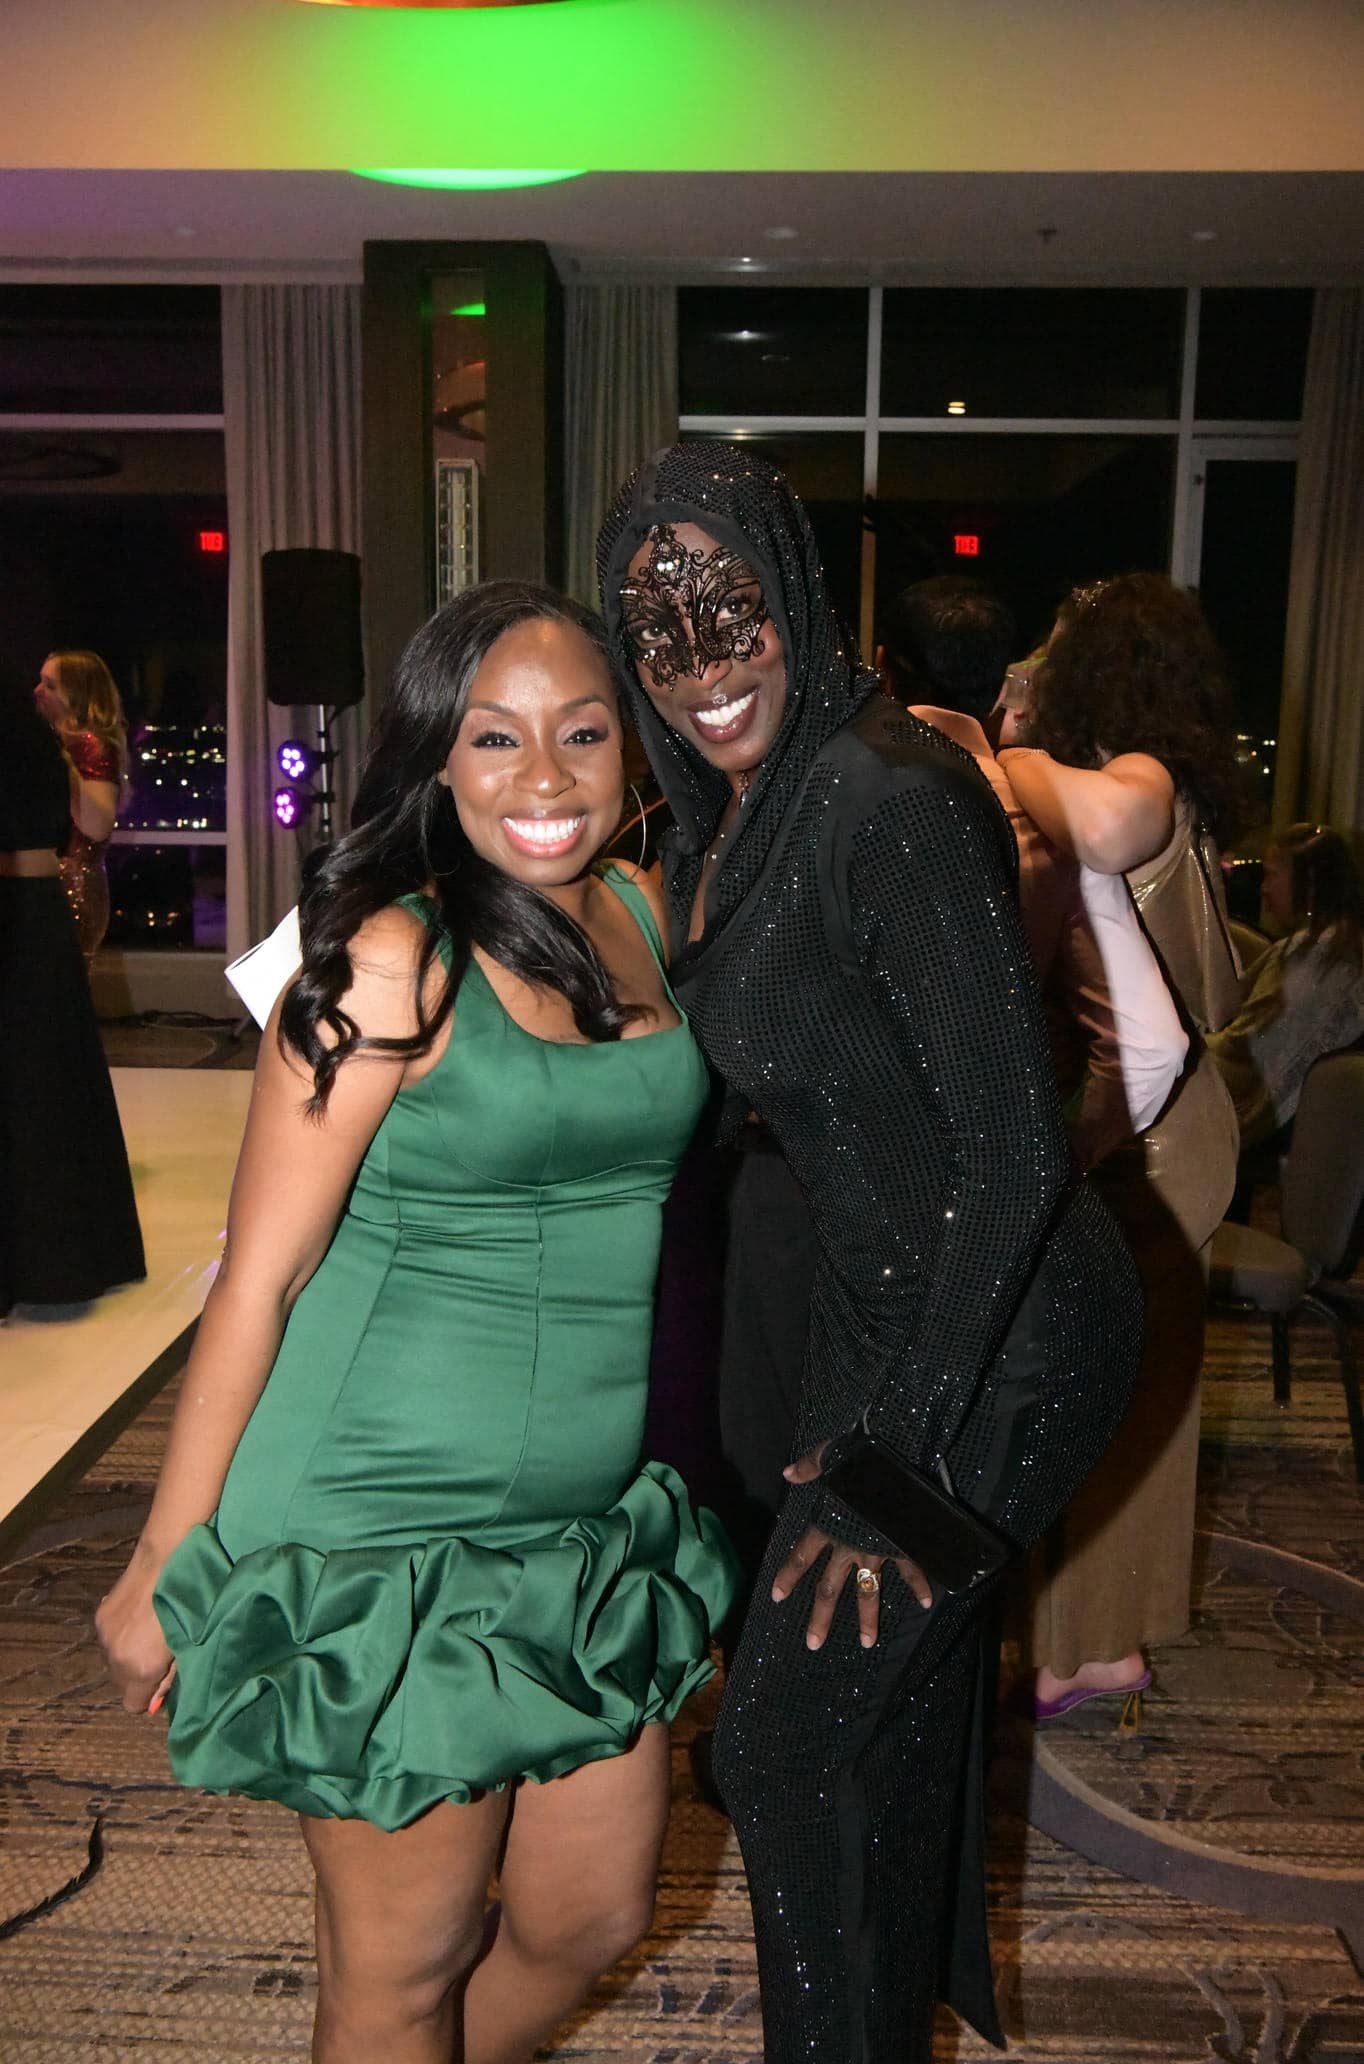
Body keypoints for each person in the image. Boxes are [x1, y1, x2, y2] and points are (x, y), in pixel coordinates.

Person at [96, 583, 737, 2064]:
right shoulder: (393, 957)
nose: (545, 775)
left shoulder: (649, 915)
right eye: (495, 737)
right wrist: (165, 1555)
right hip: (382, 1522)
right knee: (403, 1967)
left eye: (583, 733)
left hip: (578, 1523)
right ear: (437, 758)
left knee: (588, 1918)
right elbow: (259, 1280)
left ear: (631, 747)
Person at [597, 443, 1142, 2061]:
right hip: (887, 1313)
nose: (699, 657)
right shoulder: (736, 814)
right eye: (655, 622)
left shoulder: (885, 795)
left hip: (1007, 1333)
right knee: (869, 1746)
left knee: (781, 1749)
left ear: (795, 594)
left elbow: (1014, 1147)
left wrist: (889, 1458)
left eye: (730, 604)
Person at [998, 572, 1244, 1719]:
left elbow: (1095, 824)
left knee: (1113, 1398)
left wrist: (1004, 761)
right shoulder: (1164, 783)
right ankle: (1102, 1639)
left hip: (1151, 1136)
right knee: (1140, 1397)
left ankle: (1086, 1647)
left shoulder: (1133, 778)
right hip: (1166, 1126)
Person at [879, 574, 1188, 1170]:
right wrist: (1053, 1162)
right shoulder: (1050, 821)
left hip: (824, 1170)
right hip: (982, 1163)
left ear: (882, 665)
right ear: (1001, 688)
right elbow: (1151, 1049)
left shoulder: (814, 793)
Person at [0, 681, 145, 1313]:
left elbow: (92, 820)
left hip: (33, 907)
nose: (40, 688)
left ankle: (51, 1258)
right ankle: (67, 1254)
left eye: (54, 680)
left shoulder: (50, 741)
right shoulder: (37, 736)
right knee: (50, 1075)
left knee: (39, 1078)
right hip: (38, 905)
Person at [1207, 822, 1364, 1152]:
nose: (1263, 889)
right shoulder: (1346, 944)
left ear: (1309, 883)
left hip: (1287, 1131)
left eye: (1272, 875)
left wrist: (1186, 1048)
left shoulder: (1310, 952)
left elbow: (1246, 1047)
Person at [34, 648, 128, 962]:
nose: (37, 691)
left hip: (72, 891)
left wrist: (59, 760)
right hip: (53, 889)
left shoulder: (90, 746)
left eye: (50, 685)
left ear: (76, 695)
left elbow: (97, 825)